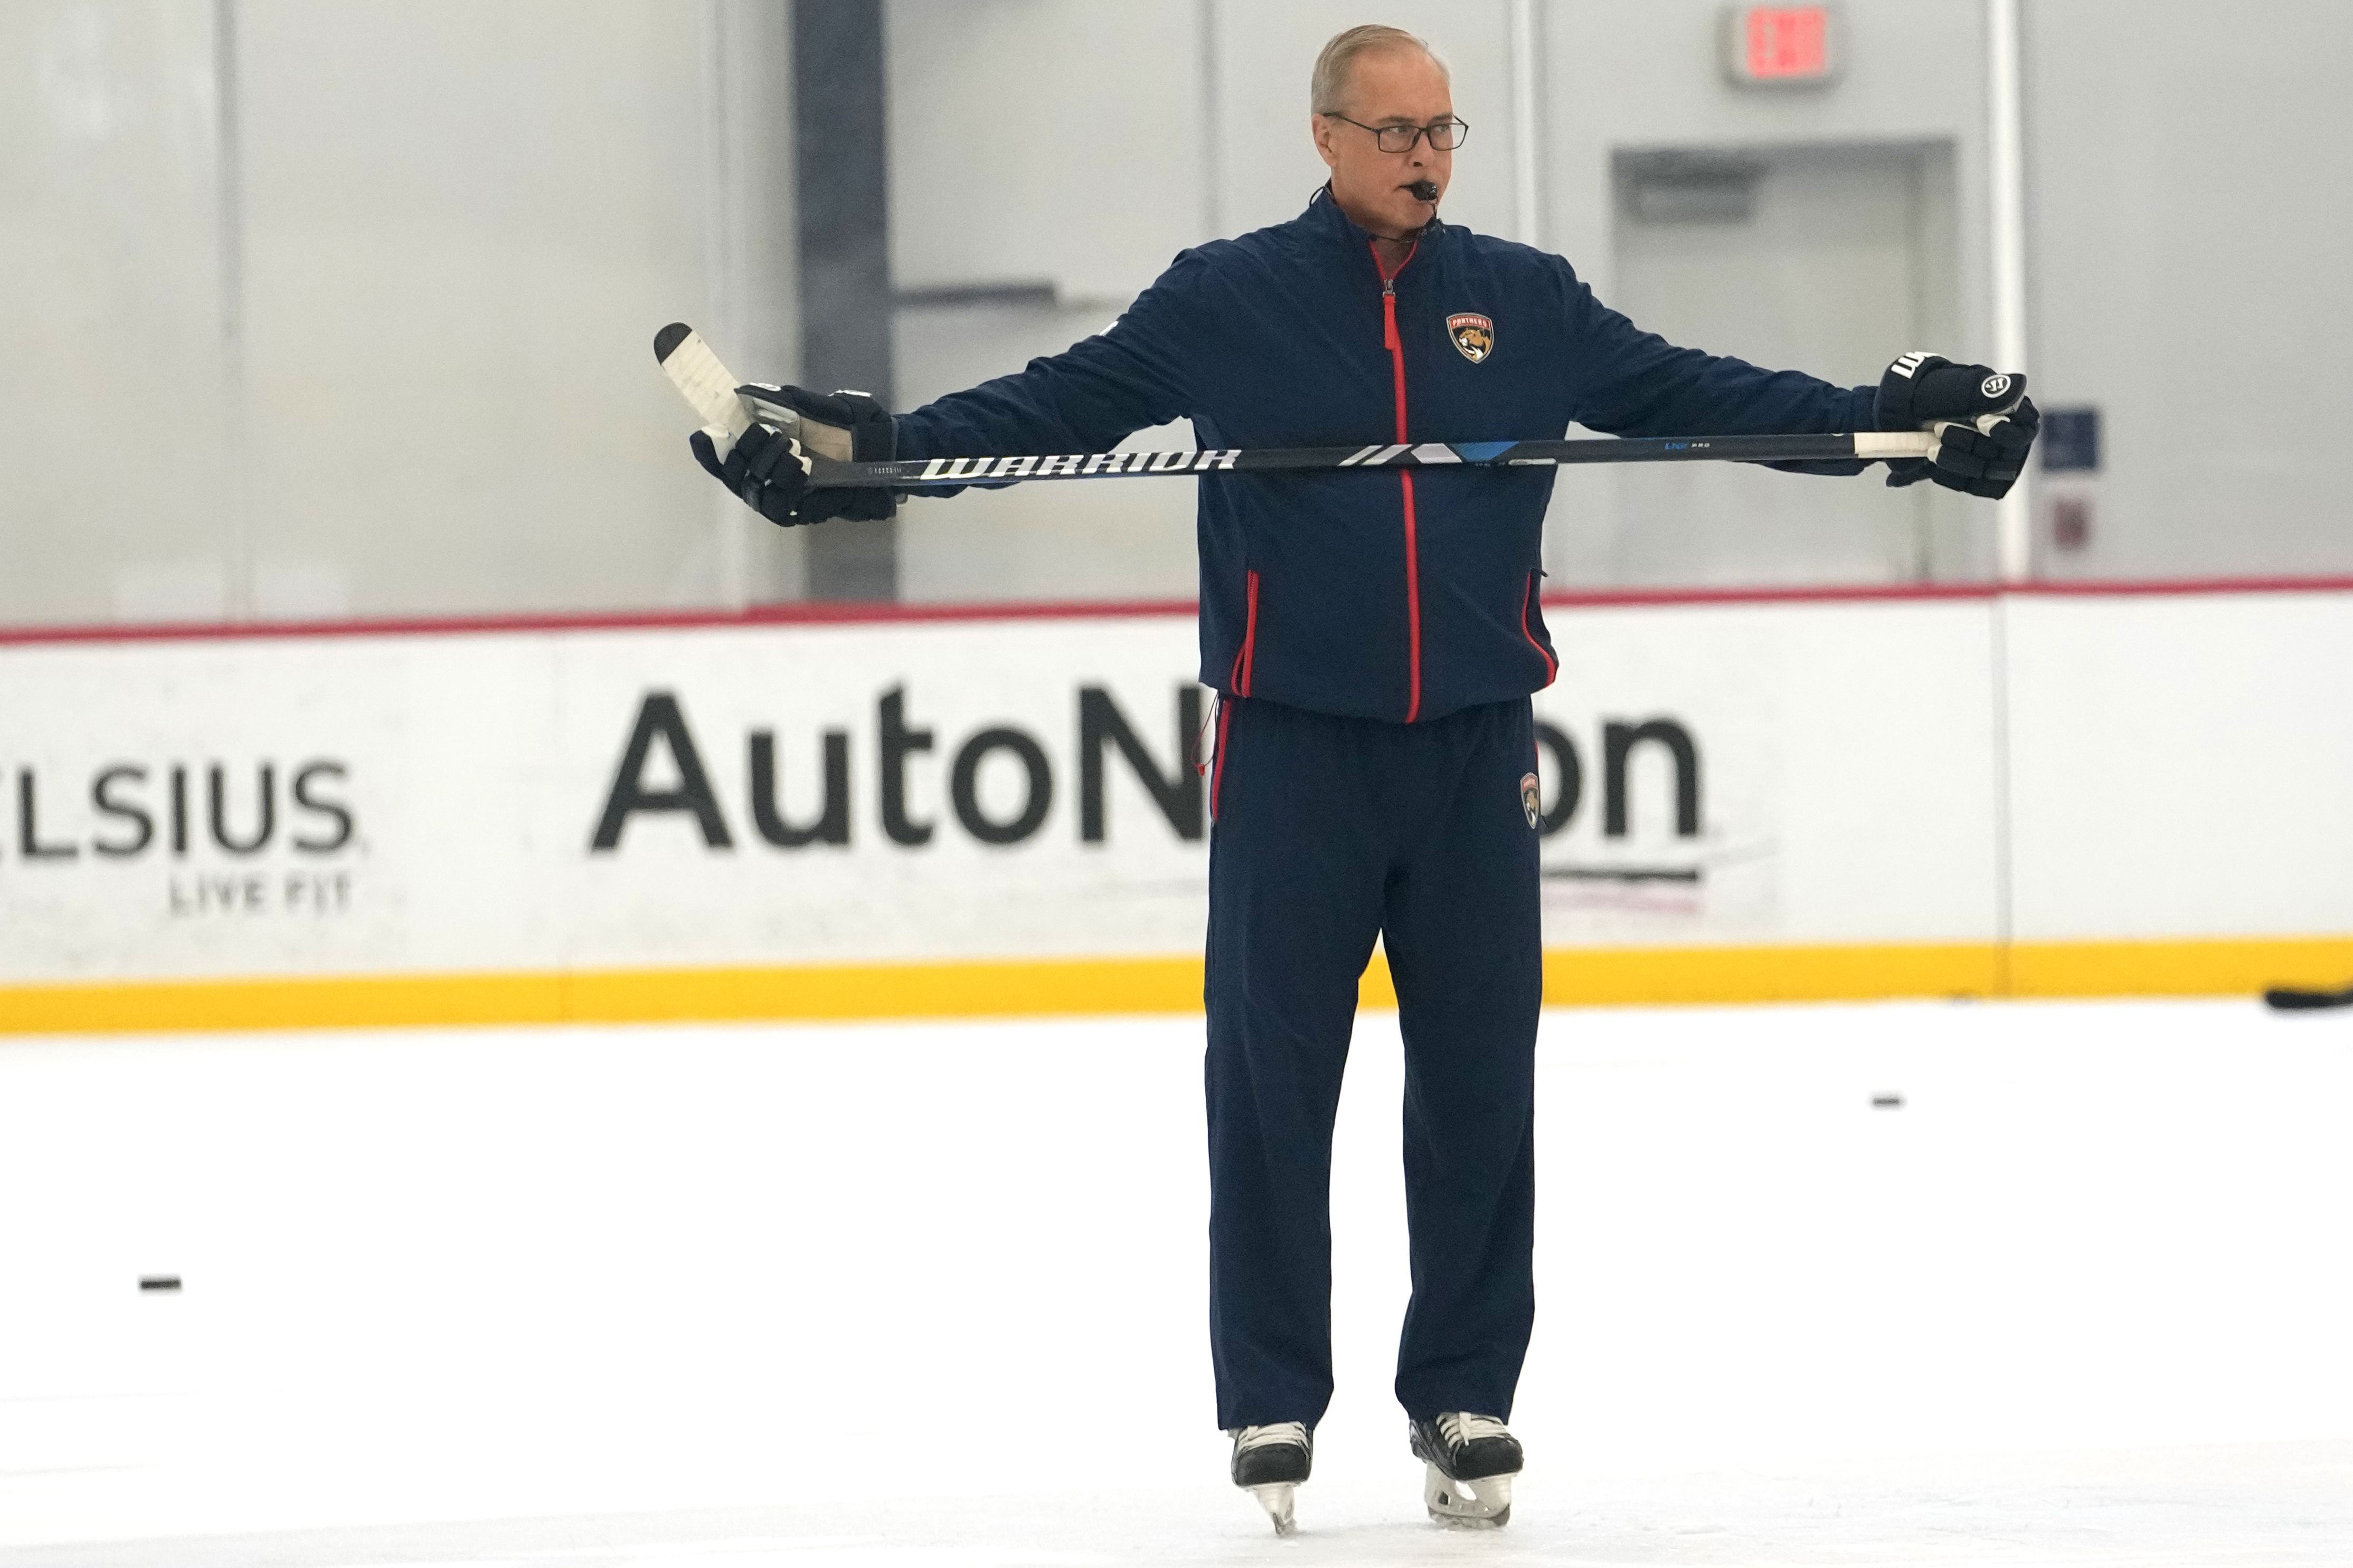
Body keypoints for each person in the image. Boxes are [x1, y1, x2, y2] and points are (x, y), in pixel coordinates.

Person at [689, 23, 2037, 1535]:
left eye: (1443, 133)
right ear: (1324, 136)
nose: (1424, 160)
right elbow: (1054, 409)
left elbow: (1685, 393)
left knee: (1477, 1080)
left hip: (1472, 751)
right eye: (1395, 134)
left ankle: (1463, 1391)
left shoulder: (1519, 301)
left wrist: (1892, 428)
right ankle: (1270, 1391)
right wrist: (877, 454)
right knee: (1271, 1081)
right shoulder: (1229, 301)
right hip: (1293, 744)